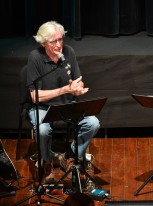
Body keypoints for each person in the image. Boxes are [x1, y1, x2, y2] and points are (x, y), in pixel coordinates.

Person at [26, 21, 100, 183]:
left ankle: (70, 156)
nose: (59, 45)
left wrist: (77, 88)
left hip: (67, 105)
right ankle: (46, 163)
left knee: (93, 123)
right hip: (43, 108)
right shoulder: (35, 58)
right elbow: (34, 96)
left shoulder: (69, 52)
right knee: (42, 130)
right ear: (43, 42)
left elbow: (78, 80)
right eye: (54, 41)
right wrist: (64, 90)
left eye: (61, 39)